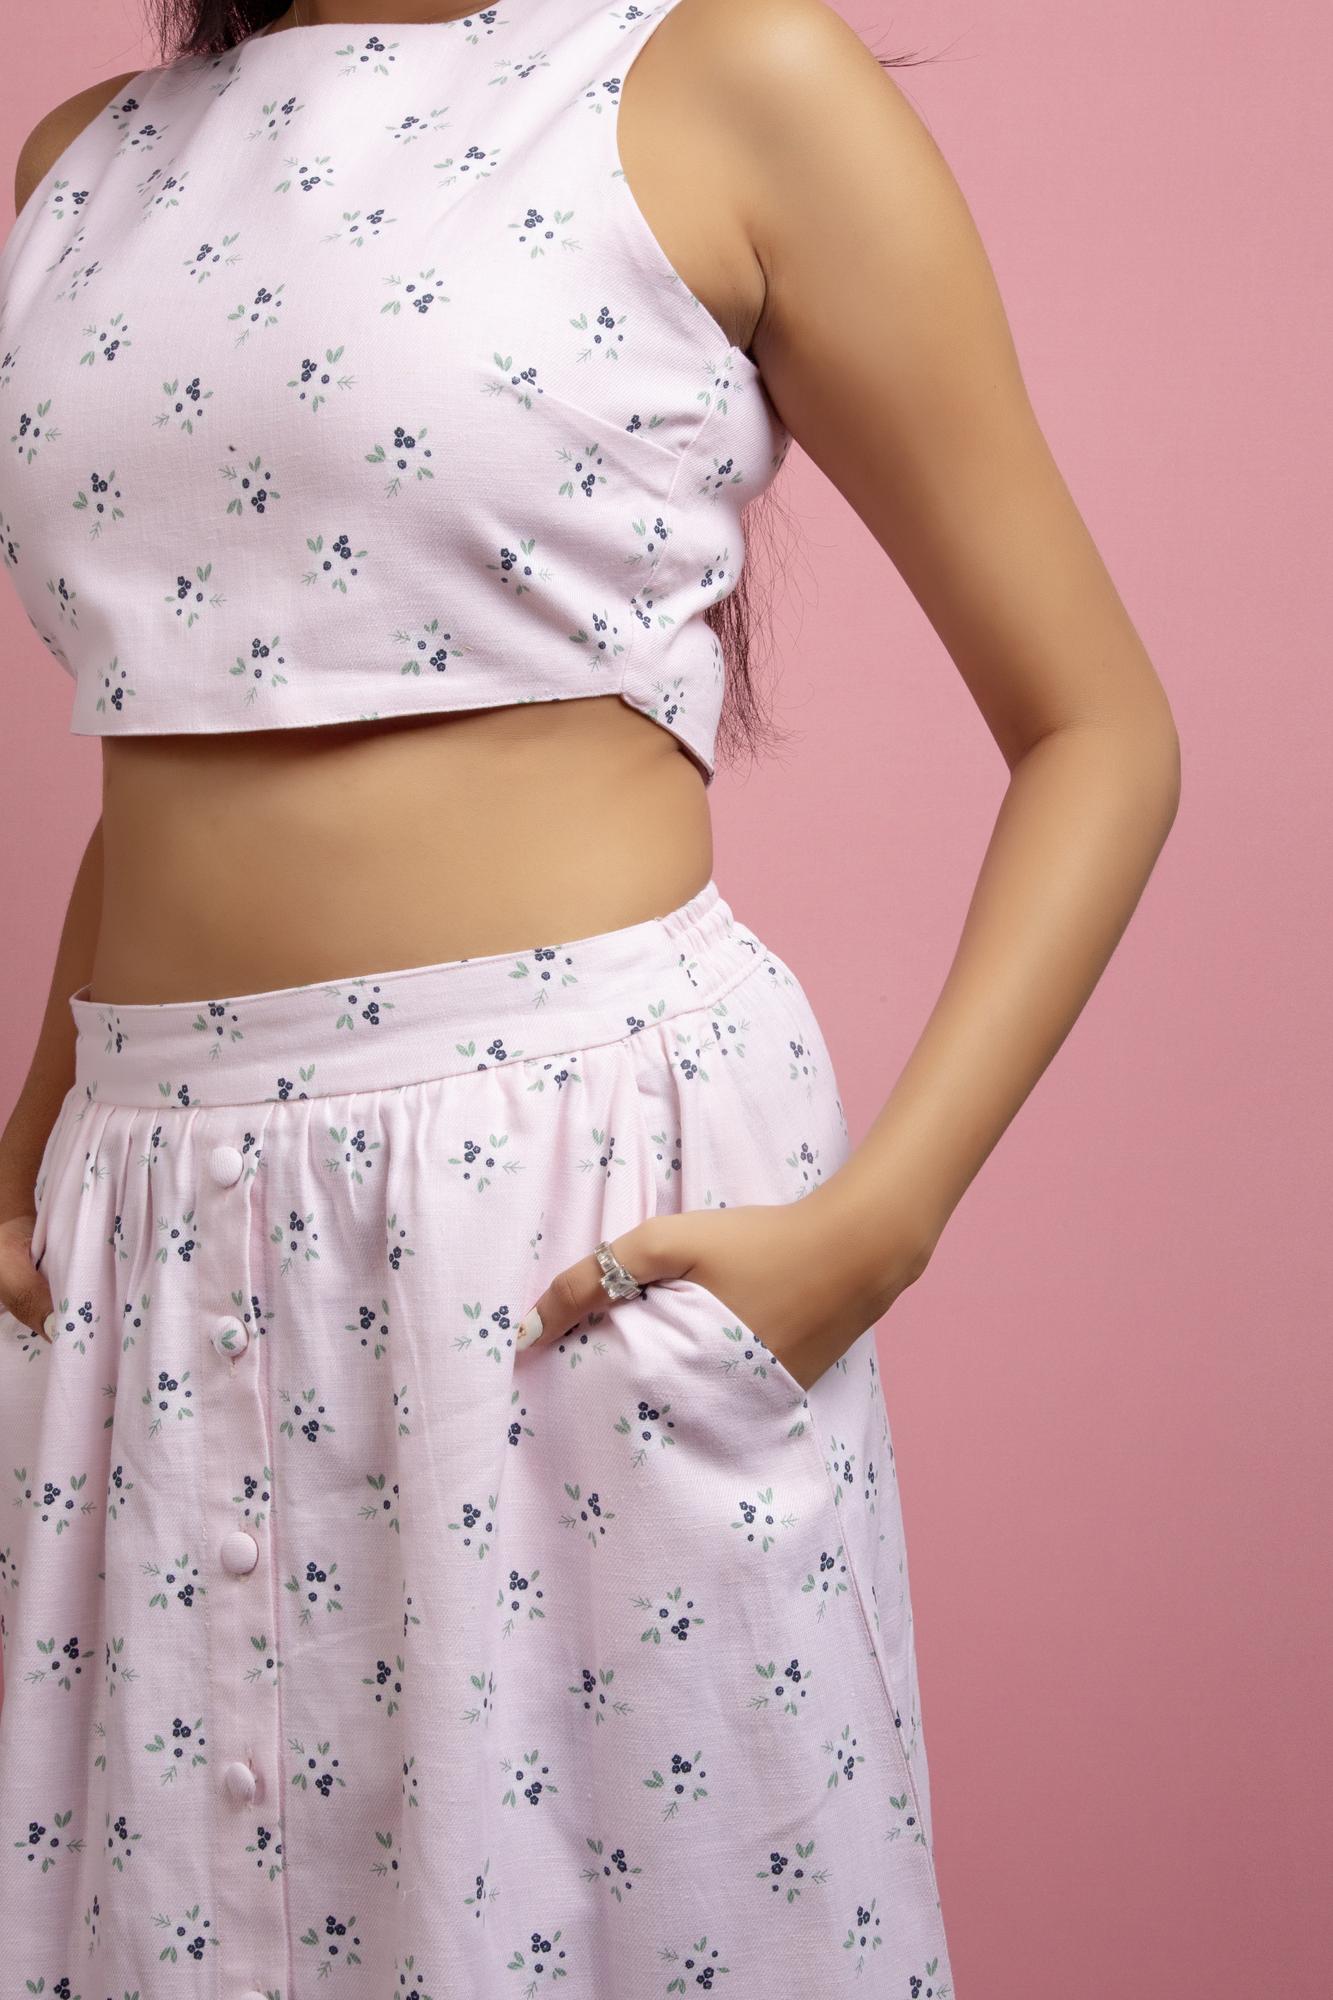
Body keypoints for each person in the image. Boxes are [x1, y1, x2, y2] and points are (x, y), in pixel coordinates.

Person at [0, 0, 1180, 1990]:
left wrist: (876, 1226)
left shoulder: (724, 82)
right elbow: (184, 721)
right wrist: (30, 1136)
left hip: (566, 1190)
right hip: (149, 1219)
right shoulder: (81, 160)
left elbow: (1100, 729)